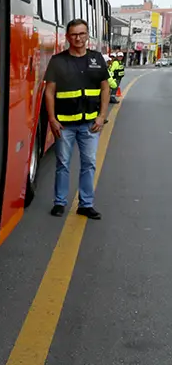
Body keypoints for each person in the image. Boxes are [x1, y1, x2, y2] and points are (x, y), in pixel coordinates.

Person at [45, 19, 110, 220]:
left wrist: (102, 116)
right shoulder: (58, 61)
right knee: (63, 163)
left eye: (82, 34)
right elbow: (49, 92)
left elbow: (105, 88)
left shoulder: (97, 59)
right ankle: (59, 202)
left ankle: (86, 204)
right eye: (74, 34)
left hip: (90, 124)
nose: (78, 38)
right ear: (67, 37)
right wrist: (52, 120)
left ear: (87, 35)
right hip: (64, 124)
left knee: (89, 163)